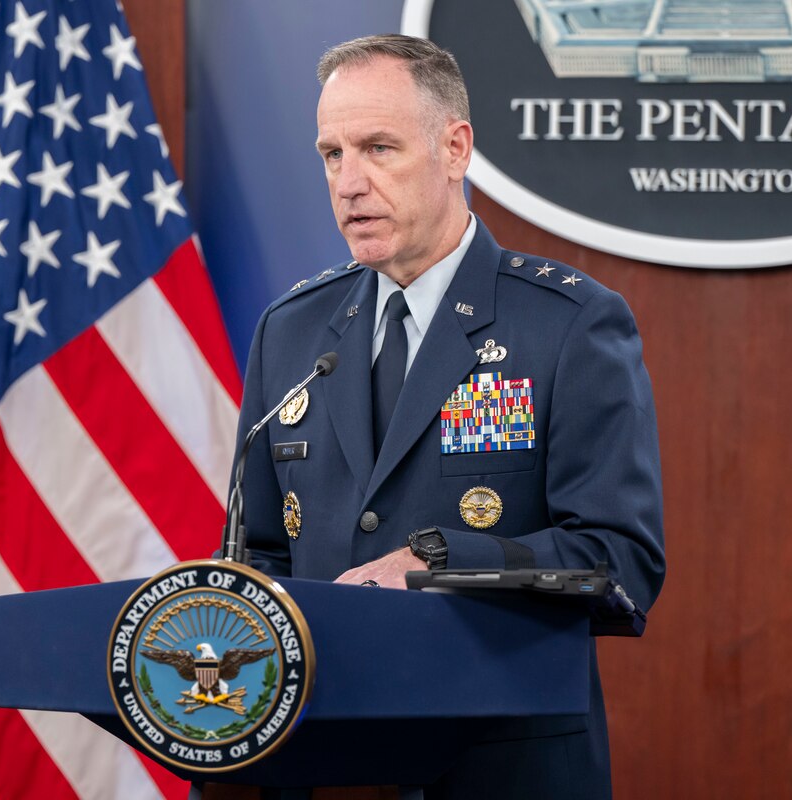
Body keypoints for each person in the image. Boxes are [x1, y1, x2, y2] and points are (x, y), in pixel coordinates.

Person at [229, 34, 665, 799]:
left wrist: (440, 569)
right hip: (321, 765)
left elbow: (620, 561)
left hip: (498, 766)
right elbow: (260, 553)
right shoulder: (291, 330)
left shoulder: (568, 323)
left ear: (455, 148)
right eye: (332, 154)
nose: (349, 182)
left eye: (378, 148)